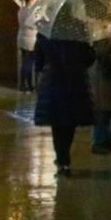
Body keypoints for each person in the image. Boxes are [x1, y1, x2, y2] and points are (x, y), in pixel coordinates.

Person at [33, 33, 96, 177]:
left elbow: (39, 60)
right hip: (75, 82)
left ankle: (62, 160)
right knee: (70, 122)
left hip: (52, 82)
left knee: (57, 124)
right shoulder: (79, 34)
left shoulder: (45, 34)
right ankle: (64, 158)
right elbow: (90, 58)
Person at [18, 0, 38, 92]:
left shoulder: (21, 10)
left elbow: (22, 23)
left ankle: (24, 84)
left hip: (22, 38)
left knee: (25, 62)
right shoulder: (31, 11)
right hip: (30, 40)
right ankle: (27, 85)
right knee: (29, 63)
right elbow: (30, 24)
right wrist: (38, 25)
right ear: (31, 0)